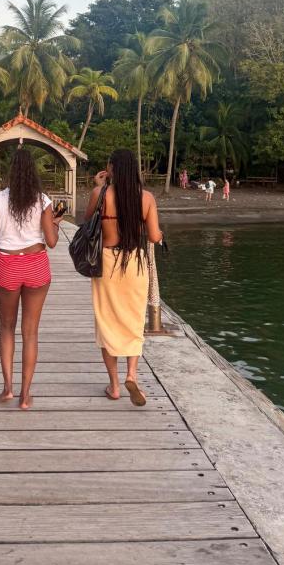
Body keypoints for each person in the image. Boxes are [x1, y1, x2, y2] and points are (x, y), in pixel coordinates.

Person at [0, 148, 63, 410]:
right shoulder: (44, 201)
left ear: (11, 172)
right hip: (36, 265)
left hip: (7, 265)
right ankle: (26, 396)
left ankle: (8, 390)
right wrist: (56, 222)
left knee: (6, 328)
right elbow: (51, 242)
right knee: (31, 333)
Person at [85, 149, 163, 407]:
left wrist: (100, 187)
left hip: (106, 263)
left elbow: (87, 226)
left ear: (112, 169)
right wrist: (160, 232)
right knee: (133, 320)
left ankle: (115, 386)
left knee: (106, 322)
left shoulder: (100, 195)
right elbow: (153, 237)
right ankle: (132, 374)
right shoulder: (147, 198)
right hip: (135, 263)